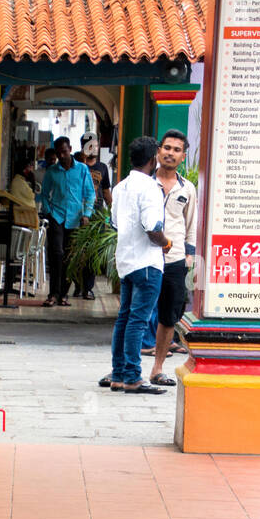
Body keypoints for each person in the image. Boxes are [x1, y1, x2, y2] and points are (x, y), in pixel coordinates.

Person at [105, 136, 170, 394]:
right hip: (147, 262)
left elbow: (114, 223)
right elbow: (152, 227)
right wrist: (165, 243)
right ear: (153, 159)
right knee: (138, 321)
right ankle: (132, 376)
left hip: (126, 261)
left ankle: (118, 374)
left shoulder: (120, 187)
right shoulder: (150, 188)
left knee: (124, 319)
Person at [147, 130, 197, 387]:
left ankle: (157, 368)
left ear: (183, 156)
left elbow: (191, 224)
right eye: (167, 148)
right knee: (135, 313)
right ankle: (125, 367)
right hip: (145, 258)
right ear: (158, 151)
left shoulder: (187, 188)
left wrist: (189, 255)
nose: (170, 153)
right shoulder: (145, 183)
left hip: (175, 259)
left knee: (169, 315)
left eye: (176, 150)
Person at [39, 136, 94, 307]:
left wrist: (86, 214)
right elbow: (44, 194)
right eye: (58, 153)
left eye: (64, 151)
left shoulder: (83, 170)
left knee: (69, 258)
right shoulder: (52, 172)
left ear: (70, 148)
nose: (62, 156)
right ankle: (53, 294)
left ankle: (63, 294)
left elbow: (90, 194)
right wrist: (48, 211)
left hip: (76, 219)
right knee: (56, 254)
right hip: (57, 217)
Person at [75, 132, 114, 300]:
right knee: (76, 253)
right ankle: (77, 285)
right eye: (92, 145)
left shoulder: (102, 168)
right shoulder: (76, 165)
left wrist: (113, 211)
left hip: (96, 217)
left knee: (91, 253)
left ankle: (87, 288)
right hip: (76, 215)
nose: (96, 149)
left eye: (97, 145)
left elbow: (106, 191)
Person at [8, 158, 40, 229]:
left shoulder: (21, 181)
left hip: (26, 215)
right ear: (24, 170)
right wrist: (33, 181)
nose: (31, 170)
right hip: (24, 216)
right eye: (30, 168)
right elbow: (32, 195)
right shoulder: (19, 182)